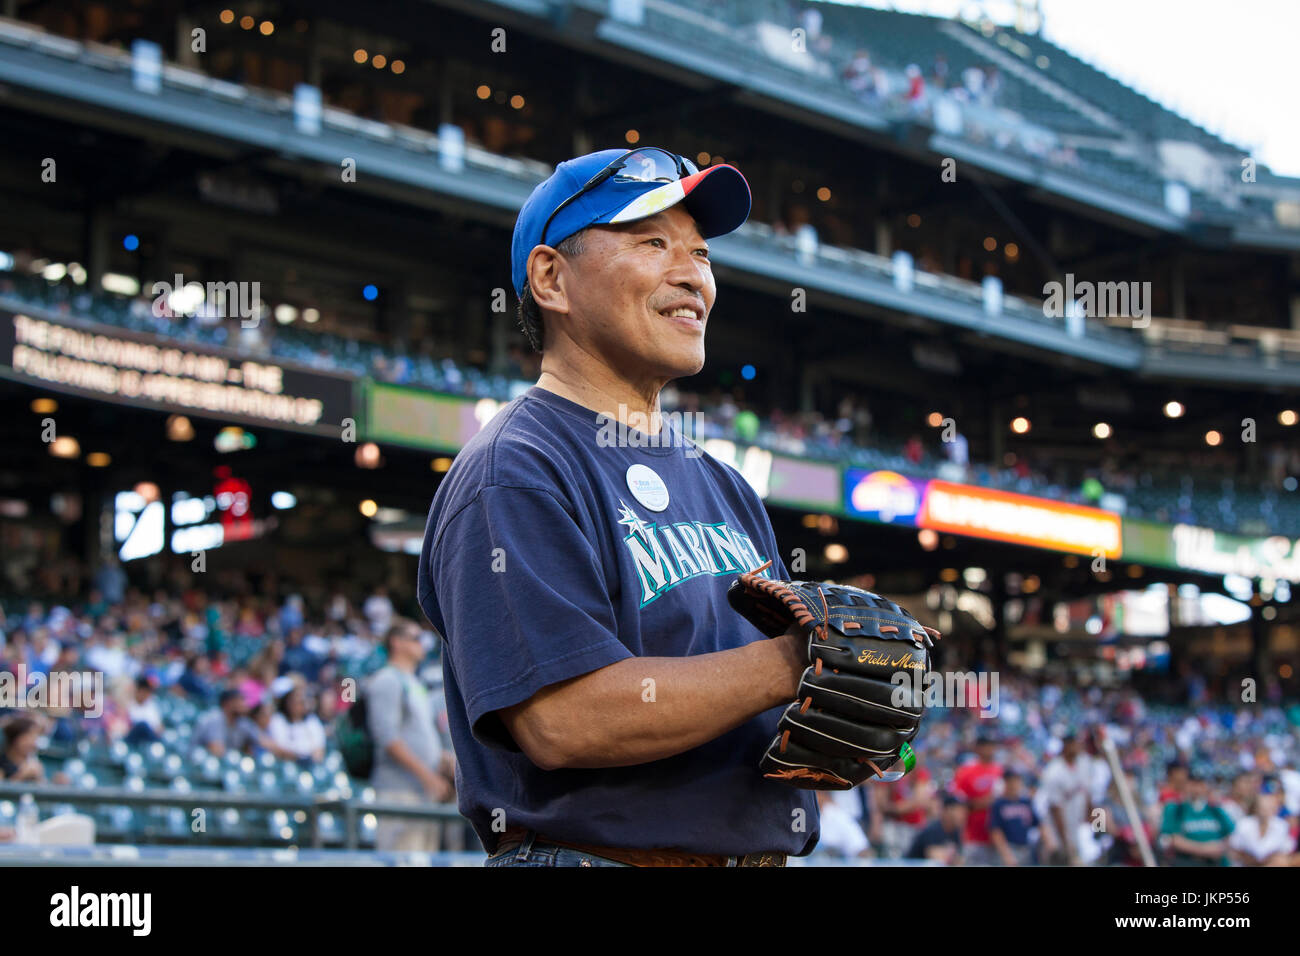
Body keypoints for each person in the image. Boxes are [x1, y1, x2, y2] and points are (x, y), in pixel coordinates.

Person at [418, 147, 819, 867]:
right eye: (652, 241)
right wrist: (795, 665)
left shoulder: (724, 485)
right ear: (551, 278)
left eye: (700, 252)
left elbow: (745, 712)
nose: (693, 272)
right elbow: (564, 719)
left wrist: (839, 716)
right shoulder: (517, 466)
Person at [368, 619, 454, 853]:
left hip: (423, 792)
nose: (422, 644)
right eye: (415, 638)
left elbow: (420, 735)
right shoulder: (387, 679)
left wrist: (441, 759)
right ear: (397, 642)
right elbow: (388, 739)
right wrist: (428, 777)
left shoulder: (415, 683)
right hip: (399, 791)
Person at [1159, 771, 1234, 866]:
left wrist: (1220, 848)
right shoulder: (1177, 808)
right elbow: (1172, 839)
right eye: (1193, 784)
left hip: (1216, 862)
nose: (1196, 788)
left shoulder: (1215, 809)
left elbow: (1229, 836)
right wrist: (1204, 849)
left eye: (1200, 784)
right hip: (1188, 861)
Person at [1040, 732, 1092, 865]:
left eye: (1077, 744)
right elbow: (1055, 808)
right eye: (1073, 744)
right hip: (1057, 830)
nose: (1076, 747)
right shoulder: (1054, 771)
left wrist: (1093, 825)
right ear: (1065, 746)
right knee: (1060, 860)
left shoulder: (1084, 763)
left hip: (1078, 826)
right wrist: (1065, 841)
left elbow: (1088, 796)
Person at [953, 731, 1003, 865]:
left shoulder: (1000, 770)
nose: (990, 749)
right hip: (973, 836)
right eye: (986, 745)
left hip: (999, 839)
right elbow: (958, 804)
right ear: (978, 748)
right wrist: (988, 802)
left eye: (992, 745)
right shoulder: (966, 771)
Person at [1228, 785, 1294, 866]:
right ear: (1256, 808)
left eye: (1269, 807)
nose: (1265, 811)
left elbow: (1285, 851)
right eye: (1262, 807)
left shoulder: (1282, 826)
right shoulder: (1244, 824)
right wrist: (1248, 858)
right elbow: (1234, 849)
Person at [266, 682, 326, 764]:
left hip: (311, 763)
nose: (299, 706)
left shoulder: (311, 720)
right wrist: (299, 757)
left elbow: (319, 745)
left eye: (301, 702)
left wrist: (312, 758)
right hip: (286, 763)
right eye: (295, 702)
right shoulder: (278, 720)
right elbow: (280, 747)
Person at [989, 770, 1039, 866]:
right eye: (1010, 781)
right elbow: (995, 830)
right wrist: (1006, 854)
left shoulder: (1026, 802)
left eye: (1016, 781)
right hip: (1009, 848)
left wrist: (1051, 843)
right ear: (1005, 783)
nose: (1013, 784)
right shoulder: (999, 804)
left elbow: (1039, 823)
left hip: (1026, 847)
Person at [193, 689, 258, 758]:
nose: (245, 704)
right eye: (241, 700)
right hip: (201, 763)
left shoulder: (242, 721)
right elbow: (216, 751)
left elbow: (264, 741)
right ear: (229, 703)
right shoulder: (214, 718)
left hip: (225, 761)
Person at [906, 795, 966, 864]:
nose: (963, 814)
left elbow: (960, 860)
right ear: (946, 811)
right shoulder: (933, 829)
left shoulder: (955, 832)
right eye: (958, 810)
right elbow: (937, 858)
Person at [0, 716, 46, 782]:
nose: (32, 743)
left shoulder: (33, 762)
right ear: (15, 739)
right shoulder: (2, 763)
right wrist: (22, 775)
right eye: (27, 738)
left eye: (34, 738)